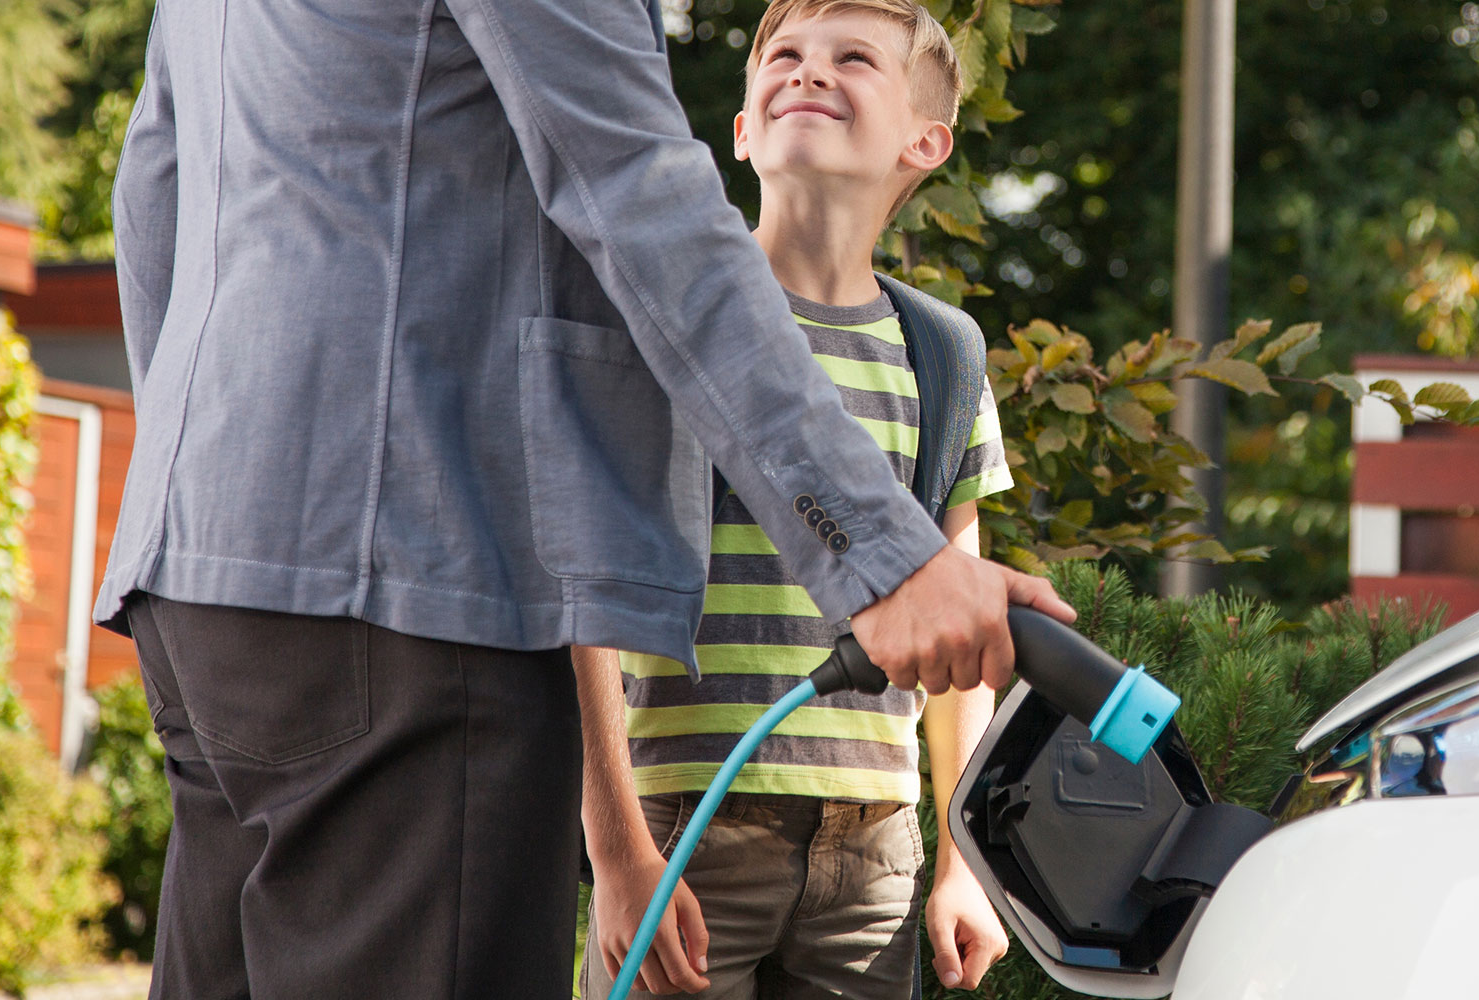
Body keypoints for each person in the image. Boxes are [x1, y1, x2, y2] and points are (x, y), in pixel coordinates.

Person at [102, 0, 1069, 996]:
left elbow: (154, 190)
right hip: (410, 575)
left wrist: (212, 470)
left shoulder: (938, 352)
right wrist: (883, 555)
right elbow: (635, 192)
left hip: (206, 567)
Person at [577, 3, 1017, 995]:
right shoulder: (665, 324)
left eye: (852, 57)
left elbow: (961, 631)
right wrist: (616, 849)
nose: (808, 73)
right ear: (740, 131)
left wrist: (964, 860)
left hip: (876, 851)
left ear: (924, 141)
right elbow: (582, 597)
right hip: (683, 824)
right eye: (782, 56)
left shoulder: (941, 356)